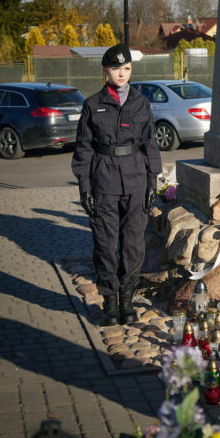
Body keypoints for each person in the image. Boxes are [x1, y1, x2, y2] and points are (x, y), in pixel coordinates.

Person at [71, 44, 162, 326]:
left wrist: (152, 182)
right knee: (105, 244)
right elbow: (83, 148)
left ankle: (127, 300)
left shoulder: (141, 103)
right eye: (115, 68)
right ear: (105, 71)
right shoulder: (92, 104)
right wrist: (84, 188)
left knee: (133, 245)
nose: (121, 74)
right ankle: (110, 301)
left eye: (126, 68)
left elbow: (150, 143)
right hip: (103, 181)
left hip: (136, 179)